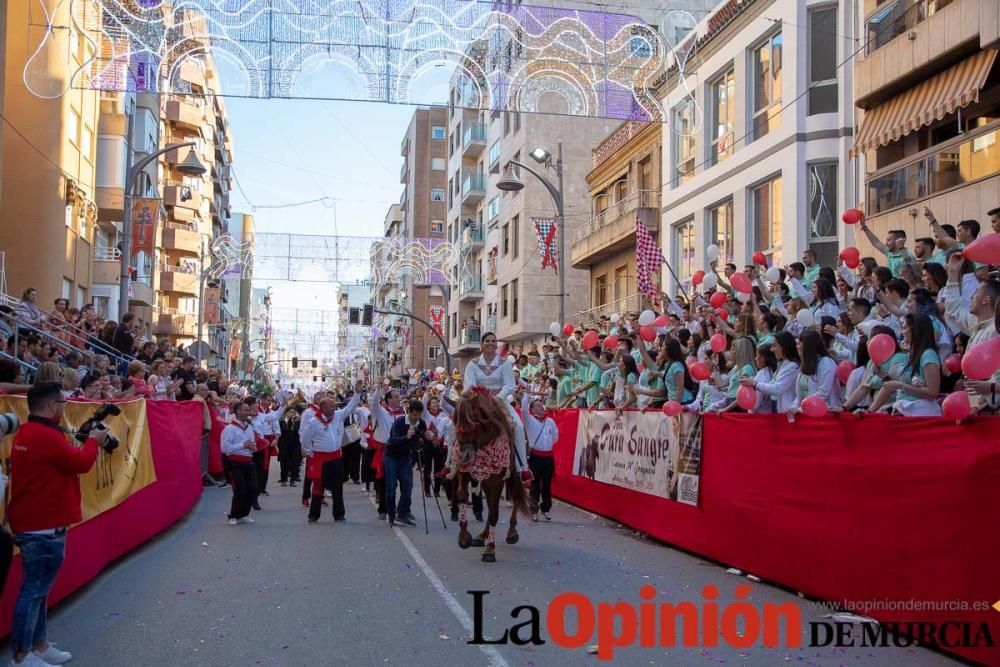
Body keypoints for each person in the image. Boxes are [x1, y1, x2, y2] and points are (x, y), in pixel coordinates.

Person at [7, 382, 107, 667]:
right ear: (52, 406)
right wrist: (93, 442)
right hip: (42, 524)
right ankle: (21, 654)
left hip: (37, 520)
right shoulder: (43, 435)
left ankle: (38, 645)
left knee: (38, 590)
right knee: (34, 590)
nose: (65, 407)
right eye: (63, 403)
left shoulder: (30, 431)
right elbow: (81, 462)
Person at [462, 332, 531, 481]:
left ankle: (522, 468)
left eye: (494, 341)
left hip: (500, 401)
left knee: (518, 426)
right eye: (487, 341)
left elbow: (510, 385)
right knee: (452, 425)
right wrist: (480, 397)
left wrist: (497, 398)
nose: (491, 343)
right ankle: (452, 463)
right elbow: (469, 385)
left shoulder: (504, 363)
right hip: (477, 401)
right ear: (482, 344)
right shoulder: (472, 364)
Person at [299, 390, 362, 524]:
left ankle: (339, 515)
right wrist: (310, 451)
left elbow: (350, 407)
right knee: (318, 488)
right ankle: (314, 515)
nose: (333, 409)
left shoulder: (338, 416)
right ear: (322, 408)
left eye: (333, 406)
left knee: (338, 487)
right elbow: (305, 438)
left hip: (336, 458)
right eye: (330, 407)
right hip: (320, 459)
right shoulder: (313, 422)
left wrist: (357, 393)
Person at [384, 399, 426, 527]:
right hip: (392, 456)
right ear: (409, 412)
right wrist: (406, 437)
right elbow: (392, 440)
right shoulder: (400, 422)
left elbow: (421, 438)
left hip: (406, 457)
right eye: (414, 415)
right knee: (391, 486)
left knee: (408, 486)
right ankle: (391, 514)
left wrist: (427, 437)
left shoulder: (421, 424)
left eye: (419, 415)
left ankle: (401, 513)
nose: (417, 417)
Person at [221, 401, 258, 526]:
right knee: (240, 490)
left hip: (248, 461)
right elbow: (225, 448)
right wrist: (243, 445)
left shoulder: (250, 428)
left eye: (248, 410)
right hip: (235, 462)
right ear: (238, 412)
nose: (248, 412)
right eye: (246, 410)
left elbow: (252, 443)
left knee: (252, 489)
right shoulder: (229, 428)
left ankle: (244, 514)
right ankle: (234, 515)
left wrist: (253, 447)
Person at [521, 393, 558, 522]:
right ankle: (533, 510)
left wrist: (546, 446)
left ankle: (546, 509)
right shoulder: (529, 420)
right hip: (536, 457)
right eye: (537, 406)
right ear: (532, 409)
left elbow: (555, 437)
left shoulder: (550, 421)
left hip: (548, 457)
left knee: (547, 484)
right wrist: (527, 393)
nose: (541, 407)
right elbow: (523, 409)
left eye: (541, 405)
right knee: (535, 484)